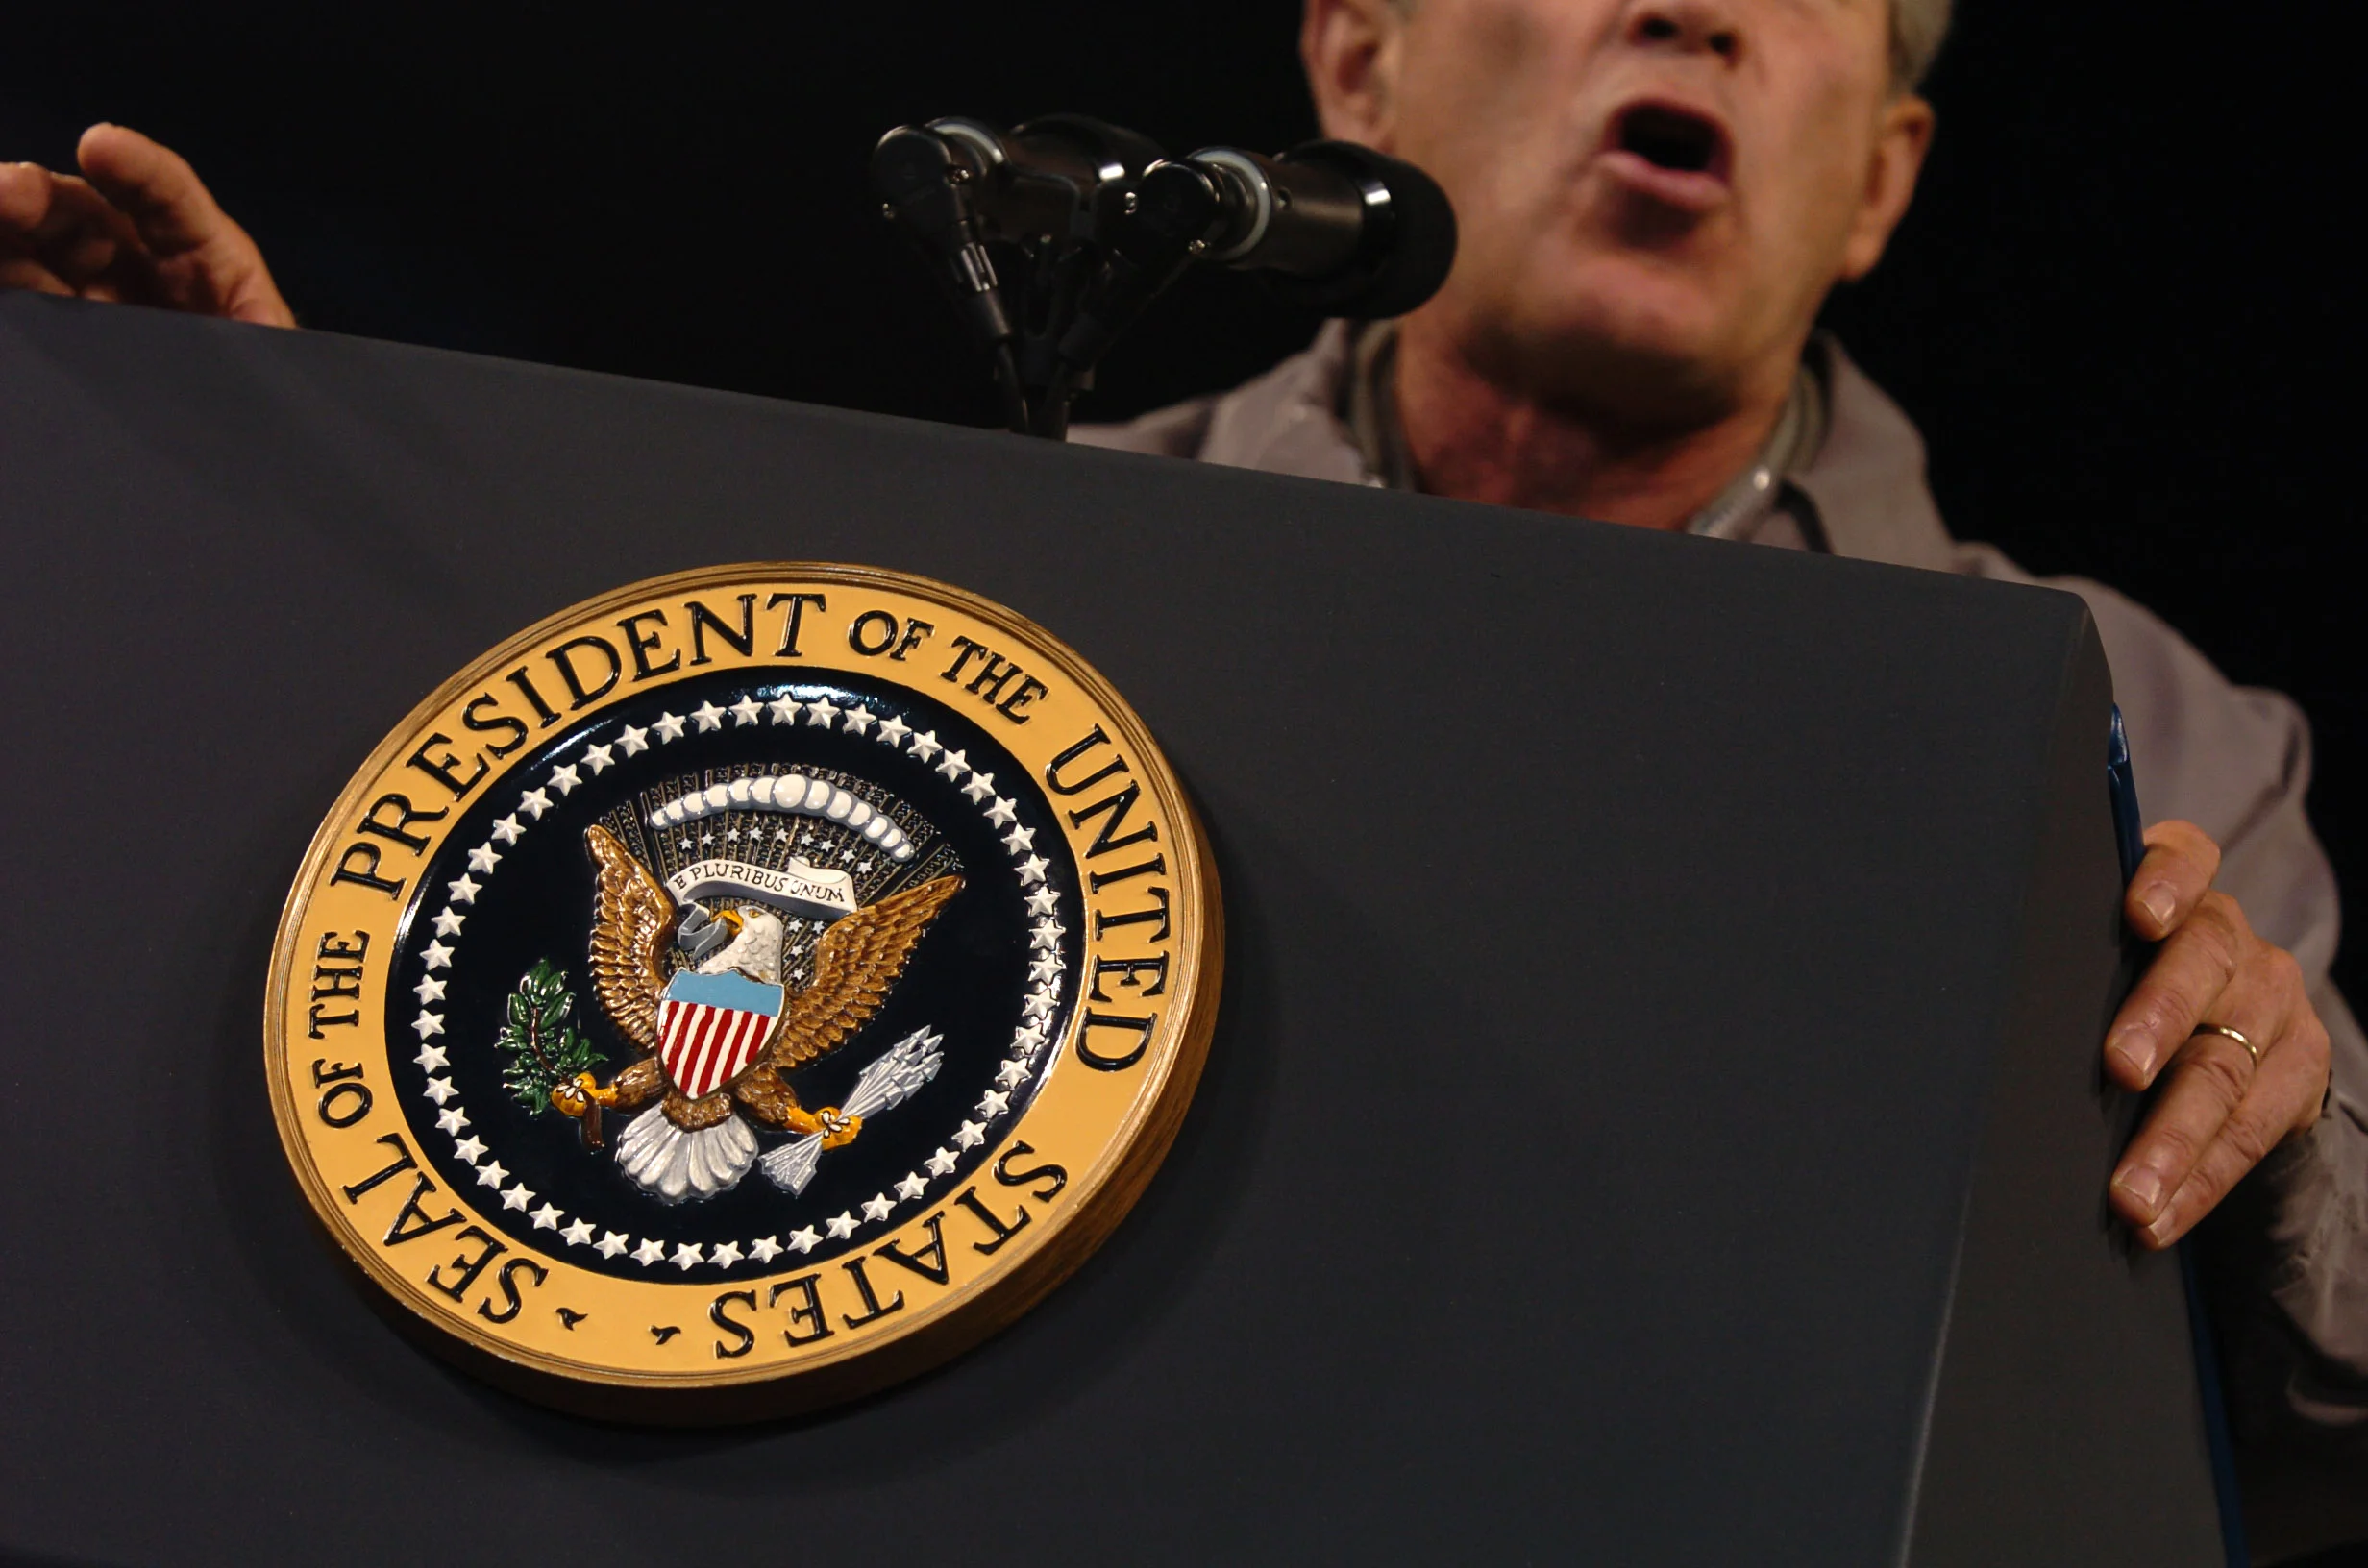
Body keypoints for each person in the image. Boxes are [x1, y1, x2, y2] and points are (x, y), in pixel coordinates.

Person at [2, 6, 2359, 1548]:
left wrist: (2263, 1145)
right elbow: (548, 930)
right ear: (1358, 59)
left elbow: (2331, 1409)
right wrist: (263, 533)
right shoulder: (1015, 571)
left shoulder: (2129, 733)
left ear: (1879, 185)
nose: (1693, 13)